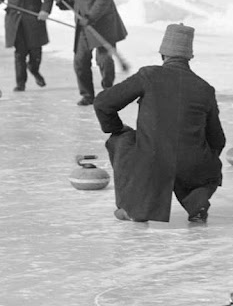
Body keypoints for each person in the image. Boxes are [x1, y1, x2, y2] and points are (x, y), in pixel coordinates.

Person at [93, 23, 225, 224]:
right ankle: (196, 201)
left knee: (121, 140)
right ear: (189, 57)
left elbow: (103, 103)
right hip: (193, 165)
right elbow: (217, 139)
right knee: (200, 161)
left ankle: (133, 207)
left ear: (163, 53)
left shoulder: (149, 76)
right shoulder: (205, 89)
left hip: (152, 161)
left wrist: (117, 129)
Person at [53, 0, 127, 105]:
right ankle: (87, 95)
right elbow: (78, 1)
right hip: (83, 27)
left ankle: (108, 92)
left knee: (104, 61)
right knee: (80, 61)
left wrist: (91, 17)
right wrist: (62, 3)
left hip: (102, 24)